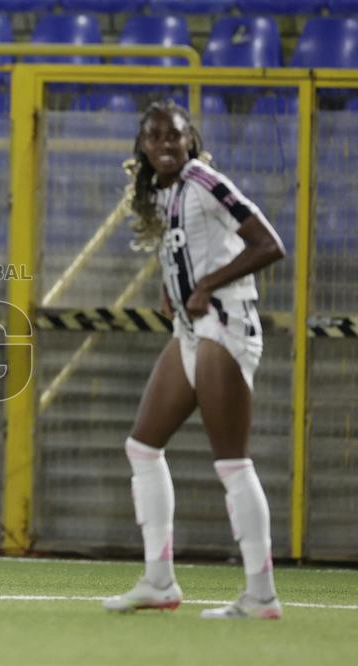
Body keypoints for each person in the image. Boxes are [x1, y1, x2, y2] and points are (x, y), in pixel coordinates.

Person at [101, 101, 285, 619]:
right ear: (141, 145)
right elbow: (194, 249)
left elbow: (268, 243)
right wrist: (174, 285)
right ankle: (159, 582)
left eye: (174, 137)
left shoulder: (202, 179)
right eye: (154, 136)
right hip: (192, 329)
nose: (164, 144)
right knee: (142, 447)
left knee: (231, 460)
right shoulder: (166, 192)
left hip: (225, 324)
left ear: (191, 142)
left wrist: (205, 285)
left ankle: (262, 594)